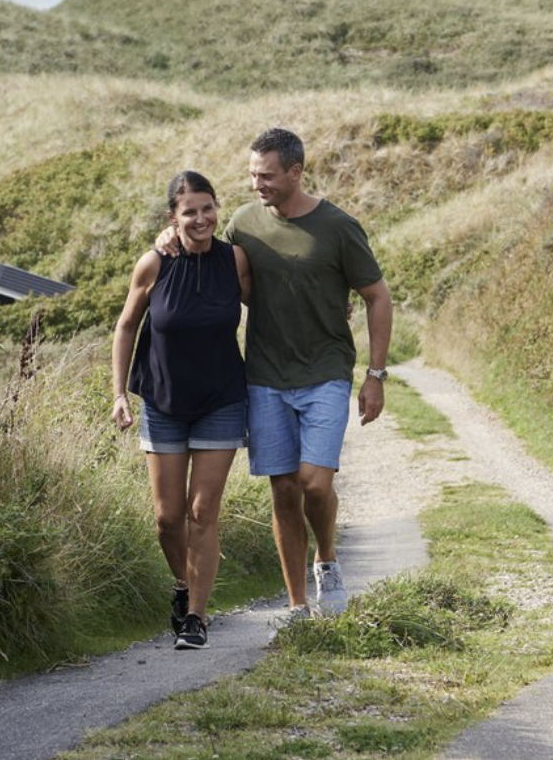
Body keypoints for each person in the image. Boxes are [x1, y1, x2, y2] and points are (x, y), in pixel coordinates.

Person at [160, 127, 392, 623]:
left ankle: (326, 559)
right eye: (252, 175)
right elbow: (210, 257)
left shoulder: (338, 227)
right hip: (264, 374)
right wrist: (170, 236)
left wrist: (375, 375)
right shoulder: (243, 223)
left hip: (326, 369)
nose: (256, 184)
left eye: (266, 175)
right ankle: (297, 606)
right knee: (284, 489)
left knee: (314, 483)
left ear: (295, 172)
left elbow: (377, 296)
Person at [111, 170, 252, 651]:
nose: (201, 218)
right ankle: (184, 584)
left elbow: (273, 301)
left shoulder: (235, 260)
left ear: (217, 208)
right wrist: (119, 393)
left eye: (207, 208)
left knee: (201, 511)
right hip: (163, 402)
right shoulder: (154, 263)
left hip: (221, 401)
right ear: (173, 217)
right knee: (168, 518)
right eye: (189, 211)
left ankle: (196, 616)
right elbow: (126, 327)